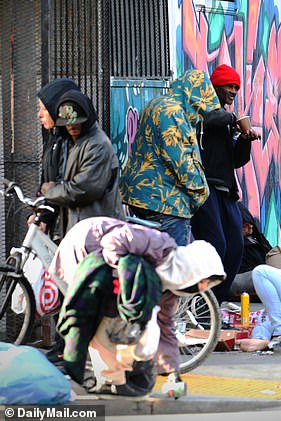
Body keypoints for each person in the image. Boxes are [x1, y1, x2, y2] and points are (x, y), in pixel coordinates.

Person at [49, 217, 226, 395]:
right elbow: (112, 242)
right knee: (96, 322)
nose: (202, 288)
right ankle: (94, 375)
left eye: (206, 284)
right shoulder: (159, 244)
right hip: (88, 244)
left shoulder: (170, 289)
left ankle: (105, 377)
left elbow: (166, 330)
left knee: (111, 325)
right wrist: (125, 276)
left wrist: (172, 373)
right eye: (203, 281)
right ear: (191, 269)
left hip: (111, 273)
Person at [119, 70, 220, 378]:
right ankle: (161, 343)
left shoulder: (158, 104)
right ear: (195, 96)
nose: (200, 115)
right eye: (201, 107)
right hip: (166, 202)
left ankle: (141, 335)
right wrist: (201, 192)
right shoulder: (174, 113)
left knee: (146, 270)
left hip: (142, 198)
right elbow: (180, 159)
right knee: (168, 278)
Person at [191, 64, 261, 304]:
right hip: (205, 190)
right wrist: (235, 120)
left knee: (235, 247)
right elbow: (209, 118)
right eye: (229, 86)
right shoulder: (204, 110)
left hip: (226, 192)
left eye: (236, 87)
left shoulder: (224, 118)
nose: (233, 91)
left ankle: (214, 305)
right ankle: (201, 304)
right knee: (216, 246)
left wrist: (245, 139)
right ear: (216, 86)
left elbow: (237, 159)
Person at [40, 90, 124, 236]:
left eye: (77, 123)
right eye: (68, 124)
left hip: (97, 231)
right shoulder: (72, 143)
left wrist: (51, 191)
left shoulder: (97, 145)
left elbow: (83, 189)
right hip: (83, 228)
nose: (72, 127)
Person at [34, 78, 81, 236]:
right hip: (58, 222)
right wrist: (38, 212)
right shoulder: (53, 138)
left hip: (72, 225)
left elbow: (66, 182)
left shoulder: (70, 142)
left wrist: (45, 215)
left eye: (44, 110)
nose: (39, 115)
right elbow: (45, 180)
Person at [228, 202, 272, 297]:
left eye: (250, 223)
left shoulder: (257, 238)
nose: (251, 227)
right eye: (246, 225)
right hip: (244, 279)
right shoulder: (233, 244)